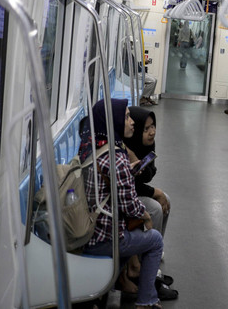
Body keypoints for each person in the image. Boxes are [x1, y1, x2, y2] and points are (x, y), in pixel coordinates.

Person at [80, 98, 164, 308]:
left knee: (139, 232)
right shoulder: (116, 158)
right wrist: (145, 216)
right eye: (126, 117)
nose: (132, 122)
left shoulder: (93, 145)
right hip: (103, 238)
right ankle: (147, 300)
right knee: (154, 240)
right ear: (114, 121)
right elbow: (130, 207)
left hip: (89, 228)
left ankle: (116, 280)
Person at [124, 107, 171, 236]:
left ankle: (157, 244)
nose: (152, 132)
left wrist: (138, 162)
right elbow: (127, 186)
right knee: (156, 208)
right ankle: (152, 249)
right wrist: (154, 192)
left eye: (153, 126)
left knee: (166, 200)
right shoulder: (124, 148)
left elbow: (148, 176)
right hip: (123, 194)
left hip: (135, 189)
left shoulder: (148, 144)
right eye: (146, 129)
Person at [123, 42, 158, 106]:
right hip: (132, 74)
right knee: (152, 81)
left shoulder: (129, 53)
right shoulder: (124, 54)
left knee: (155, 80)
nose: (132, 46)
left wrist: (143, 63)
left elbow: (135, 64)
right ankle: (143, 97)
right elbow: (129, 67)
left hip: (137, 71)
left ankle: (148, 97)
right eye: (131, 44)